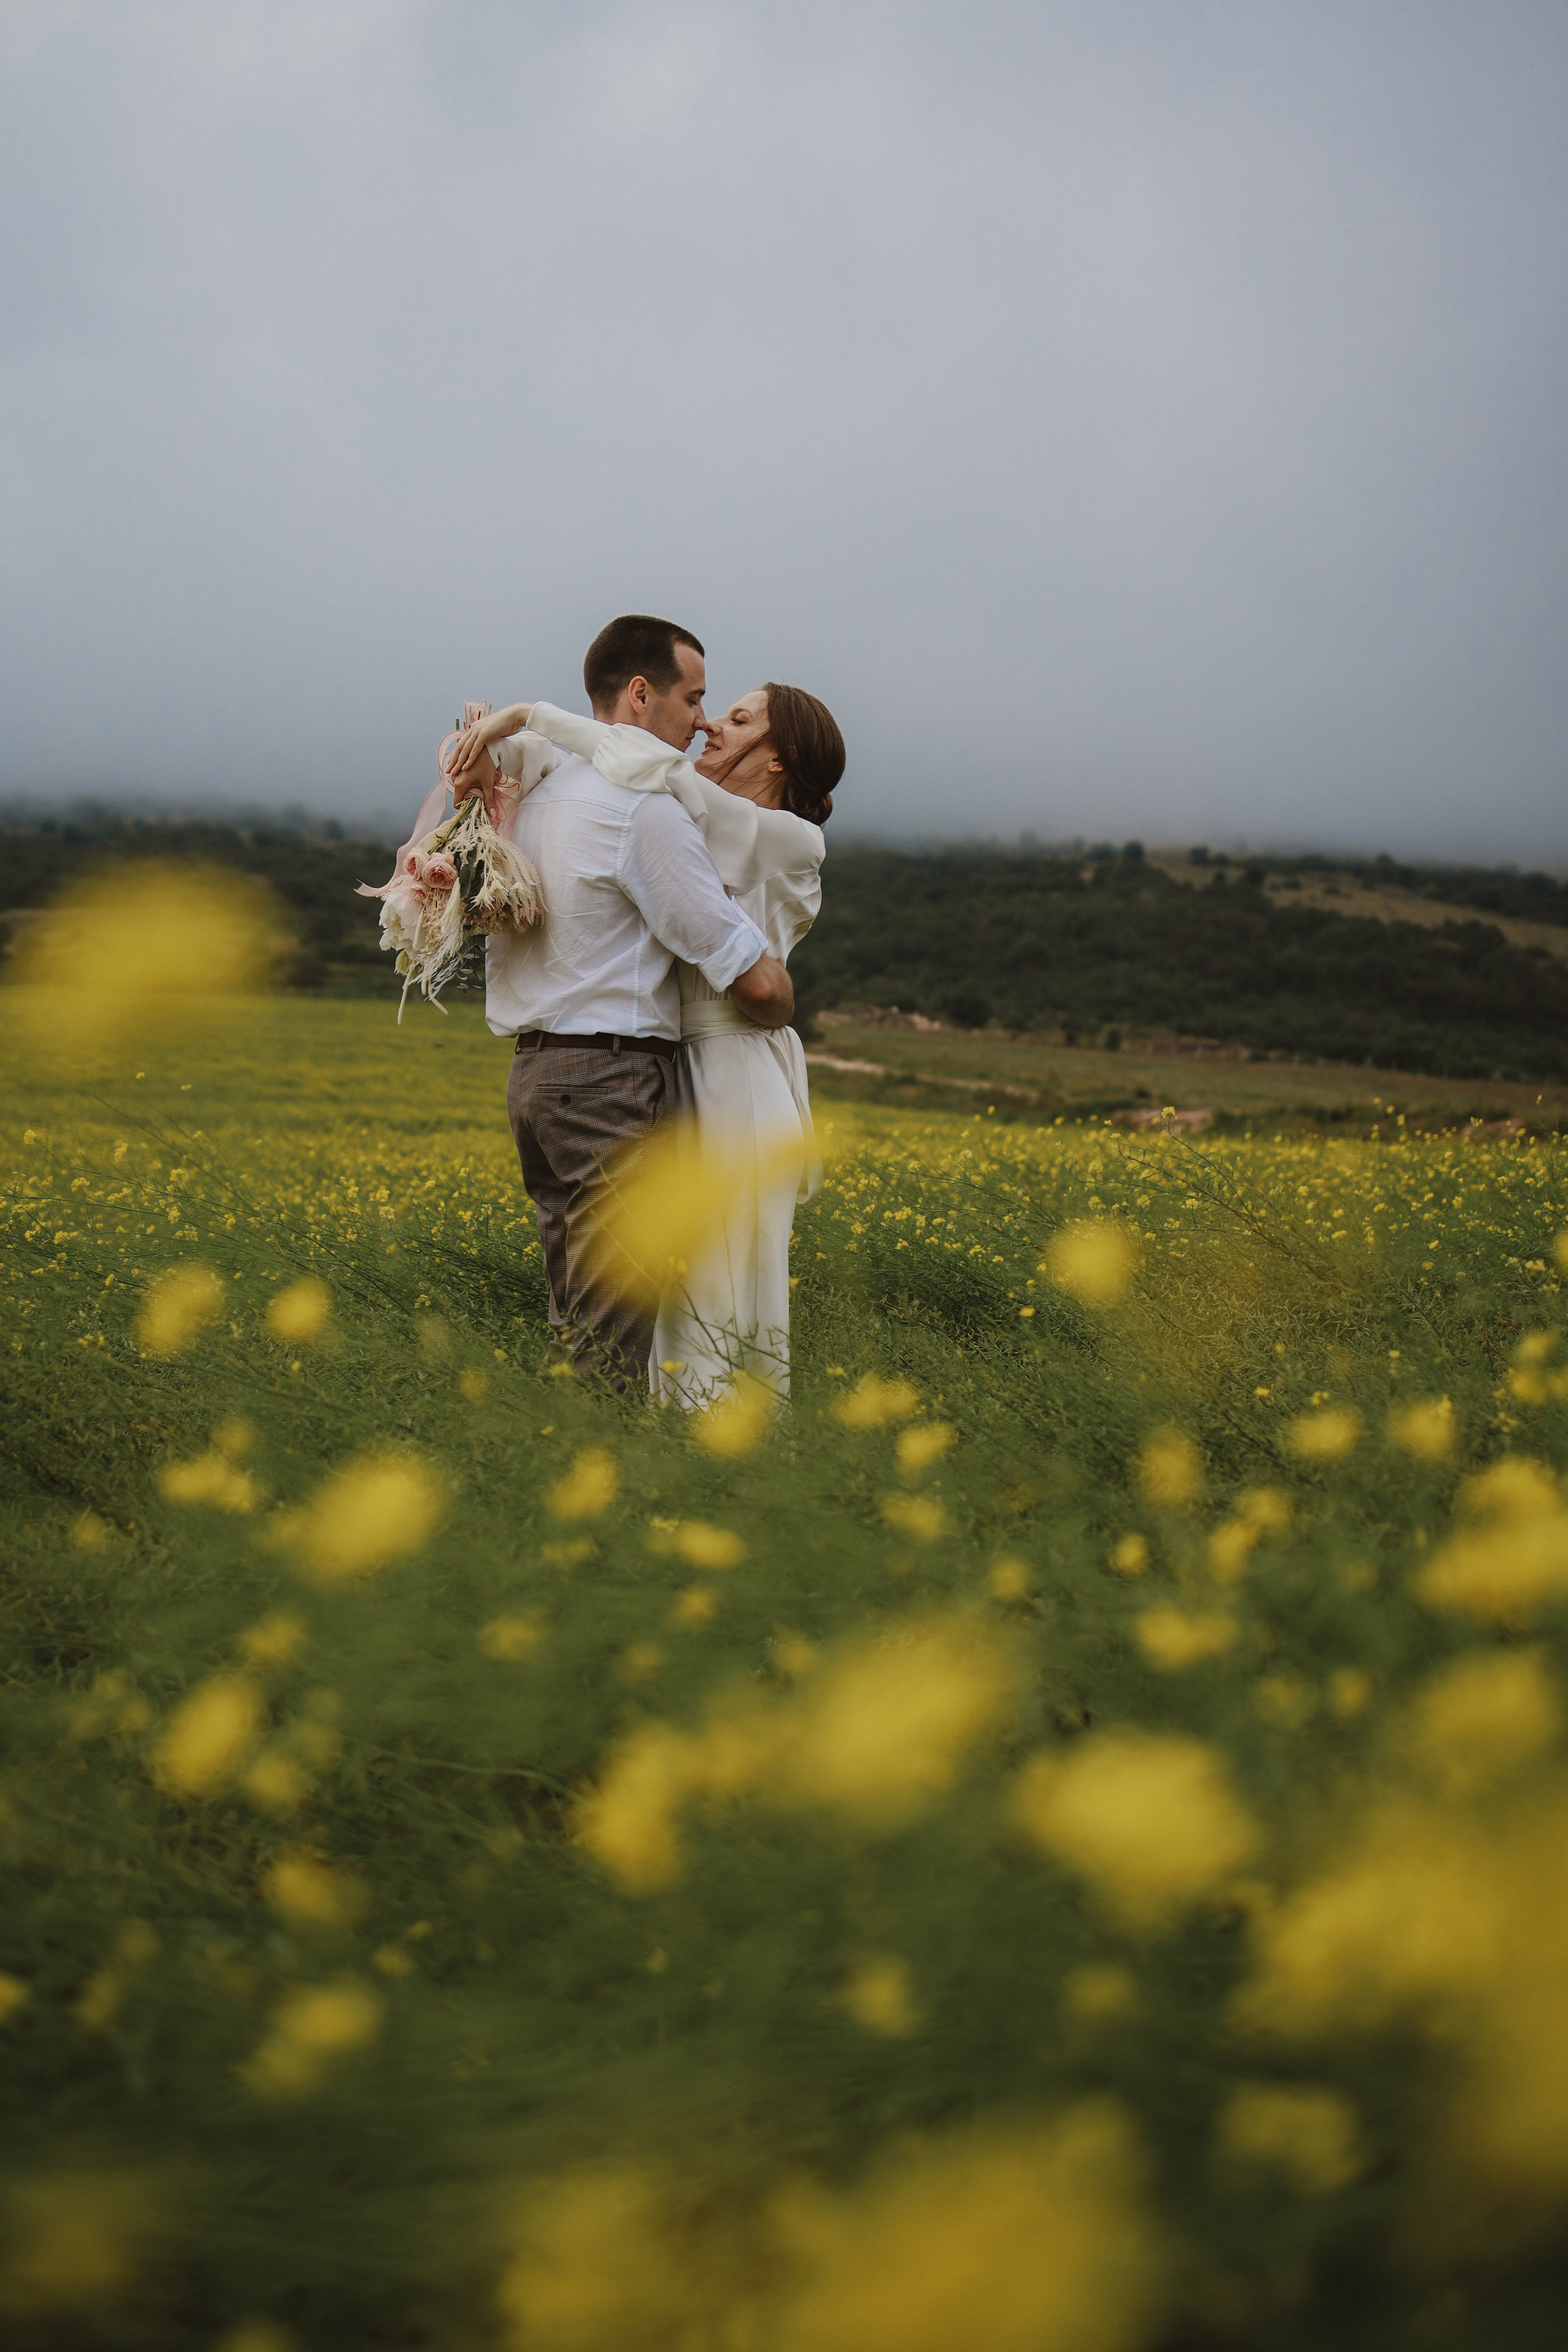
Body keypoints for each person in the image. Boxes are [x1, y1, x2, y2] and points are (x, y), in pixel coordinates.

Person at [451, 669, 844, 1409]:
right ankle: (665, 1450)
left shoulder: (790, 839)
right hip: (668, 1068)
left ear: (780, 757)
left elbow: (646, 767)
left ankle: (727, 1443)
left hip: (734, 1074)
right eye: (708, 710)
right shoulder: (687, 813)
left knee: (720, 1279)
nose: (708, 728)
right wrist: (502, 757)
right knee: (655, 1283)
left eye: (734, 718)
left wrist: (532, 716)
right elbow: (599, 777)